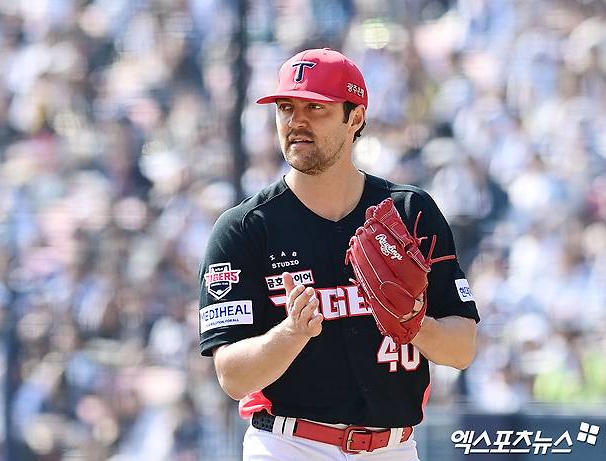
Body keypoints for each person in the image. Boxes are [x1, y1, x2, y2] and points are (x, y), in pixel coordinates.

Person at [198, 48, 479, 461]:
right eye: (286, 108)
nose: (296, 121)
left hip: (394, 447)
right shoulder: (245, 228)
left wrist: (413, 323)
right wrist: (291, 333)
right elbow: (232, 377)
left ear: (356, 118)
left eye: (316, 108)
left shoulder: (409, 213)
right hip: (288, 444)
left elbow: (462, 349)